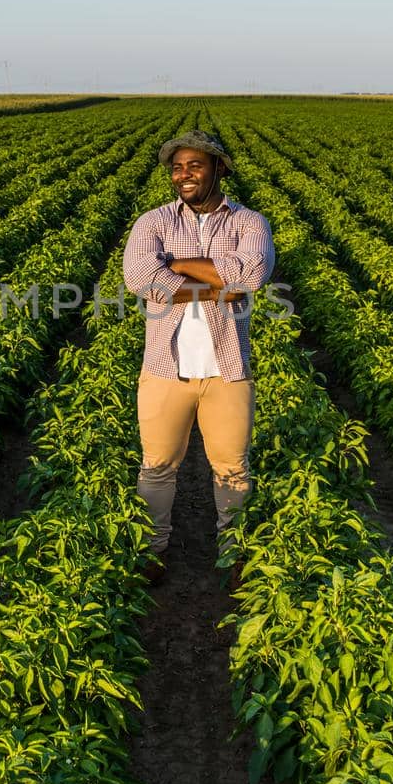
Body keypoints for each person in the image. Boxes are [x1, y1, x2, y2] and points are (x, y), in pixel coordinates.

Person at [122, 130, 275, 583]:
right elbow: (141, 278)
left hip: (227, 369)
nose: (183, 175)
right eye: (176, 167)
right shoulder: (152, 222)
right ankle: (154, 549)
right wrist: (216, 285)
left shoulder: (250, 223)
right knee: (157, 467)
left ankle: (235, 555)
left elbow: (250, 274)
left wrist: (178, 264)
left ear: (219, 169)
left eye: (194, 166)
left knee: (232, 468)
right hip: (165, 367)